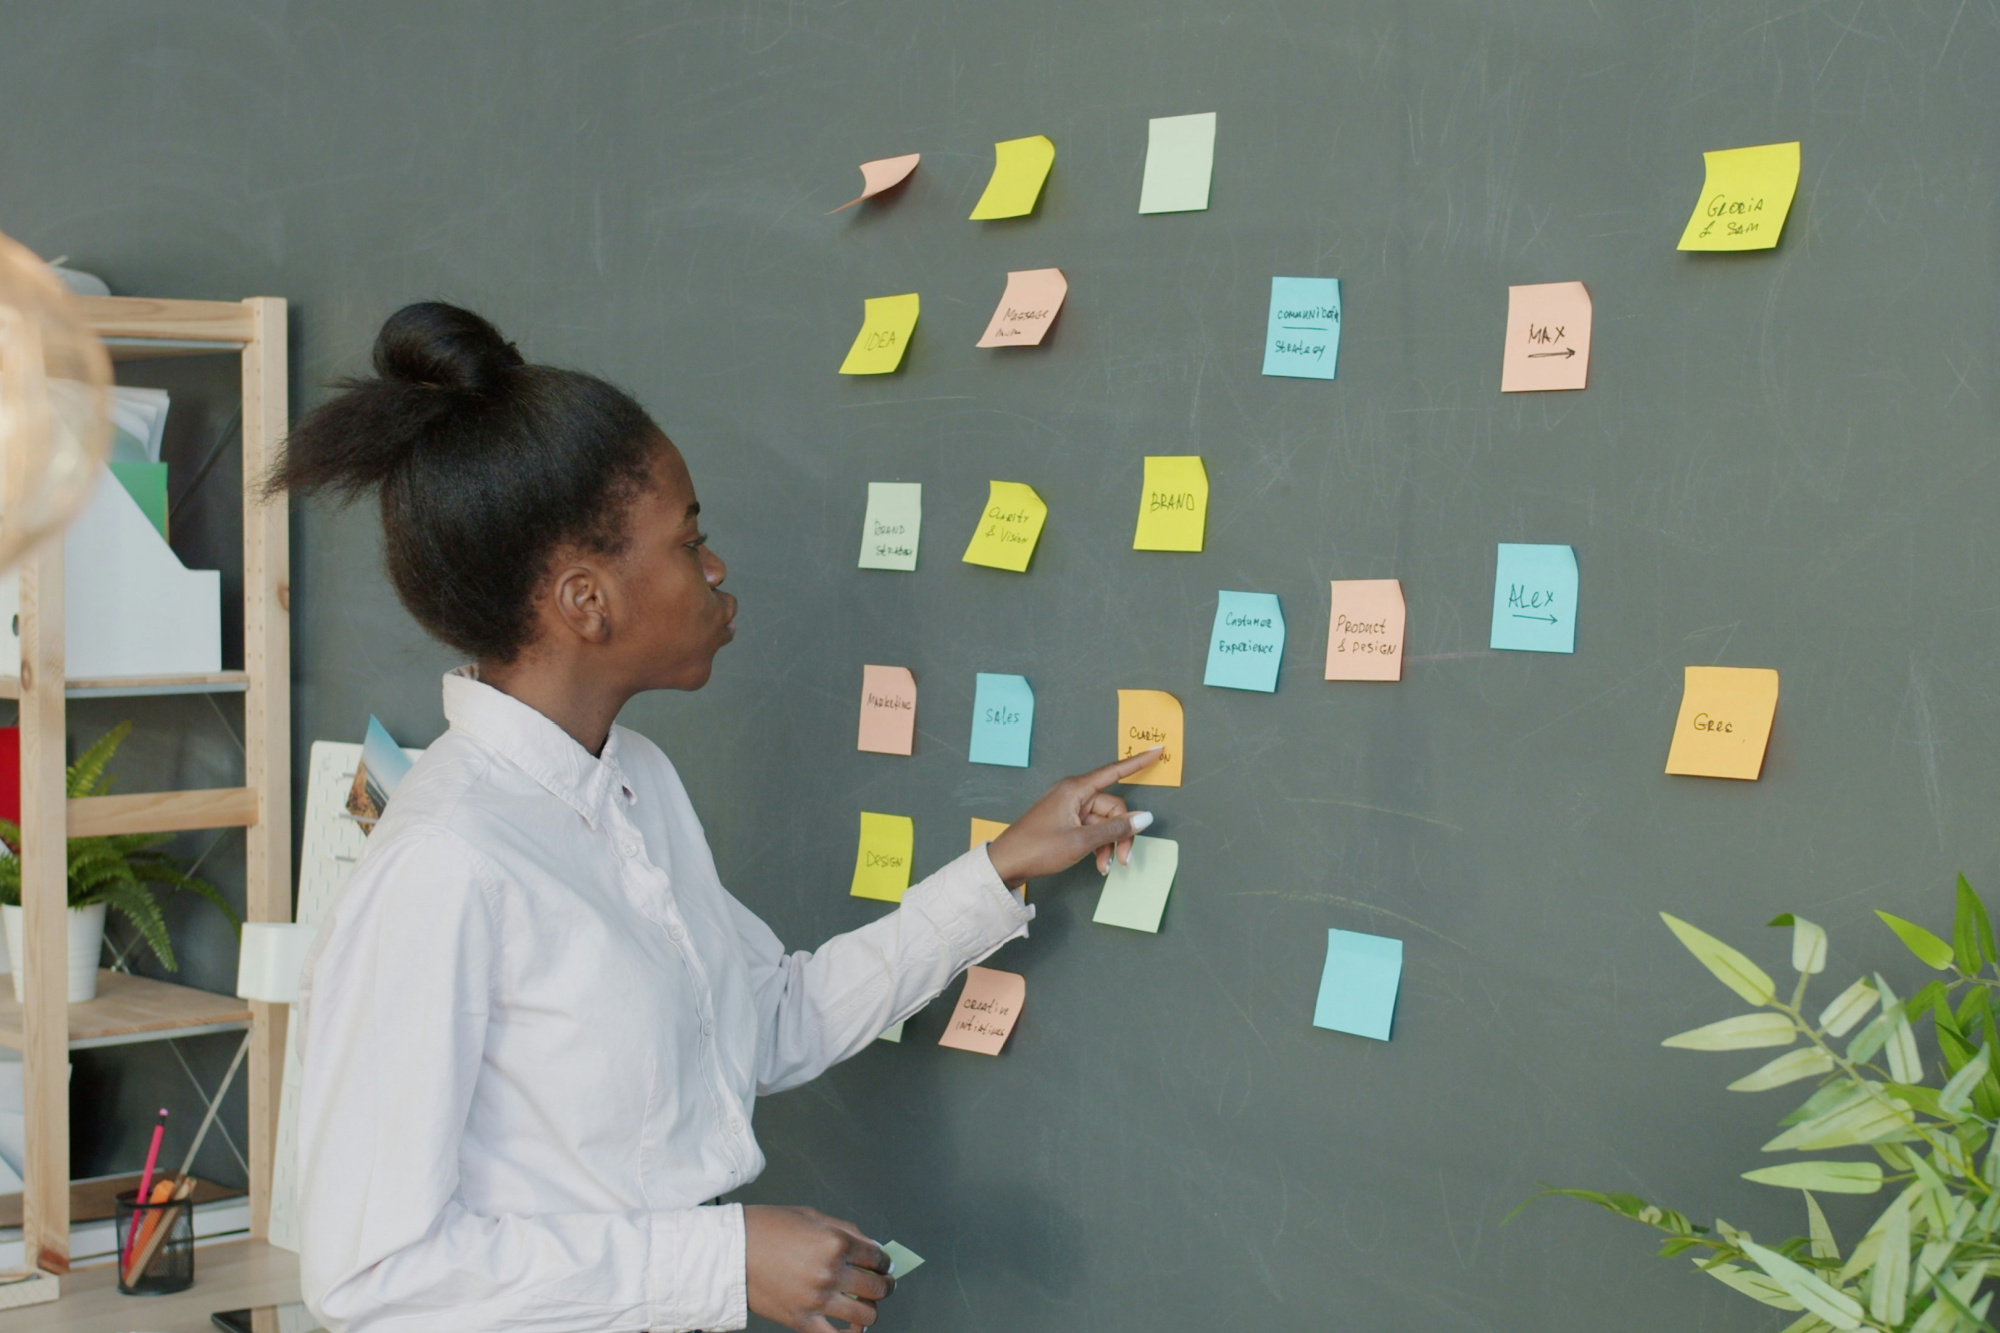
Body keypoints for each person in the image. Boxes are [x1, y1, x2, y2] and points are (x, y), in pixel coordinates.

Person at [282, 303, 1159, 1333]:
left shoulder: (633, 785)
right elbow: (367, 1274)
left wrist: (1002, 865)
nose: (716, 570)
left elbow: (764, 1023)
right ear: (584, 600)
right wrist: (719, 1258)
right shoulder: (446, 861)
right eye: (688, 540)